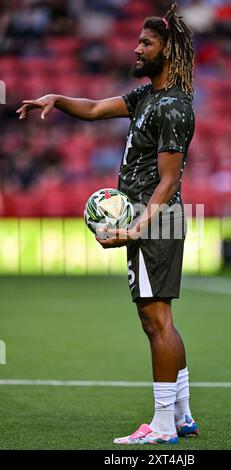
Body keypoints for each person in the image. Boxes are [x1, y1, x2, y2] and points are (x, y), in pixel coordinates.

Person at [17, 3, 199, 445]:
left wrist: (138, 228)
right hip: (149, 220)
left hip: (157, 219)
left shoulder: (173, 107)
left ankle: (160, 427)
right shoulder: (148, 96)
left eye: (146, 43)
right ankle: (182, 415)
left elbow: (169, 180)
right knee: (158, 319)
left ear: (168, 51)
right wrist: (58, 100)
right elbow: (97, 107)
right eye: (138, 40)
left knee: (157, 321)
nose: (136, 49)